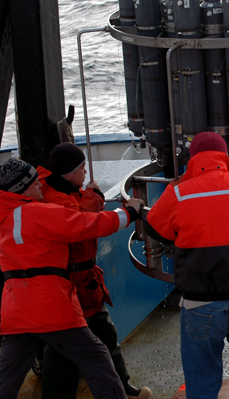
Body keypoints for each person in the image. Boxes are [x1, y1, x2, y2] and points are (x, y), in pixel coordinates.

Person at [146, 131, 229, 399]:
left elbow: (155, 226)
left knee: (202, 384)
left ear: (193, 159)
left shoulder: (179, 193)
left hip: (200, 305)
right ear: (226, 158)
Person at [0, 158, 144, 399]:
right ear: (20, 188)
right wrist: (128, 213)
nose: (40, 186)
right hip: (50, 306)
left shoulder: (4, 218)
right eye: (34, 183)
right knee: (97, 359)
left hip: (15, 310)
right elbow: (85, 225)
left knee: (7, 376)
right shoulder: (37, 213)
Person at [36, 143, 152, 399]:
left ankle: (123, 385)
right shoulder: (56, 201)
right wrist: (99, 198)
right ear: (69, 173)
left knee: (104, 336)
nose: (87, 171)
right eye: (82, 167)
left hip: (84, 282)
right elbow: (81, 223)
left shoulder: (60, 190)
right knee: (61, 349)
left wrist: (86, 194)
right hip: (69, 286)